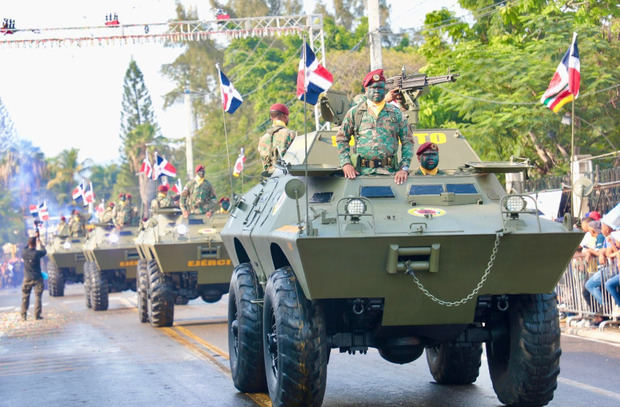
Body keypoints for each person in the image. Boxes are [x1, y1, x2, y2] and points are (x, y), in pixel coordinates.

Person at [336, 69, 414, 185]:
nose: (377, 91)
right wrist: (346, 164)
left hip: (390, 174)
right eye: (373, 87)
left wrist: (404, 168)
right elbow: (342, 138)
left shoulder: (396, 114)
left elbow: (408, 141)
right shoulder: (355, 113)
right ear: (366, 89)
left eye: (380, 87)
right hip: (361, 174)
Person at [258, 103, 296, 175]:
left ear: (271, 118)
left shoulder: (263, 138)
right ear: (284, 116)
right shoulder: (290, 134)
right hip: (287, 175)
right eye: (287, 117)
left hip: (271, 179)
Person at [21, 232, 47, 321]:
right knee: (38, 297)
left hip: (27, 278)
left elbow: (25, 247)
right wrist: (40, 241)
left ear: (28, 243)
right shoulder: (37, 253)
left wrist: (32, 238)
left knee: (25, 296)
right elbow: (44, 251)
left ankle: (23, 315)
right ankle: (37, 315)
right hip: (37, 278)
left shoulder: (24, 253)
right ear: (35, 244)